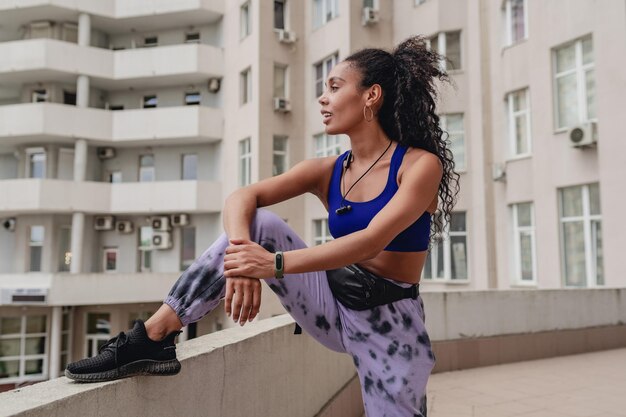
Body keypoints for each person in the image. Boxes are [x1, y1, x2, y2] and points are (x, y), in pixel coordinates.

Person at [65, 35, 459, 417]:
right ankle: (153, 336)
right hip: (332, 303)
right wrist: (243, 258)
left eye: (335, 87)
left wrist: (271, 266)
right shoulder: (326, 170)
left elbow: (372, 241)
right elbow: (241, 197)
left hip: (390, 323)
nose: (323, 98)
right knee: (259, 221)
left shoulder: (420, 165)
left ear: (371, 95)